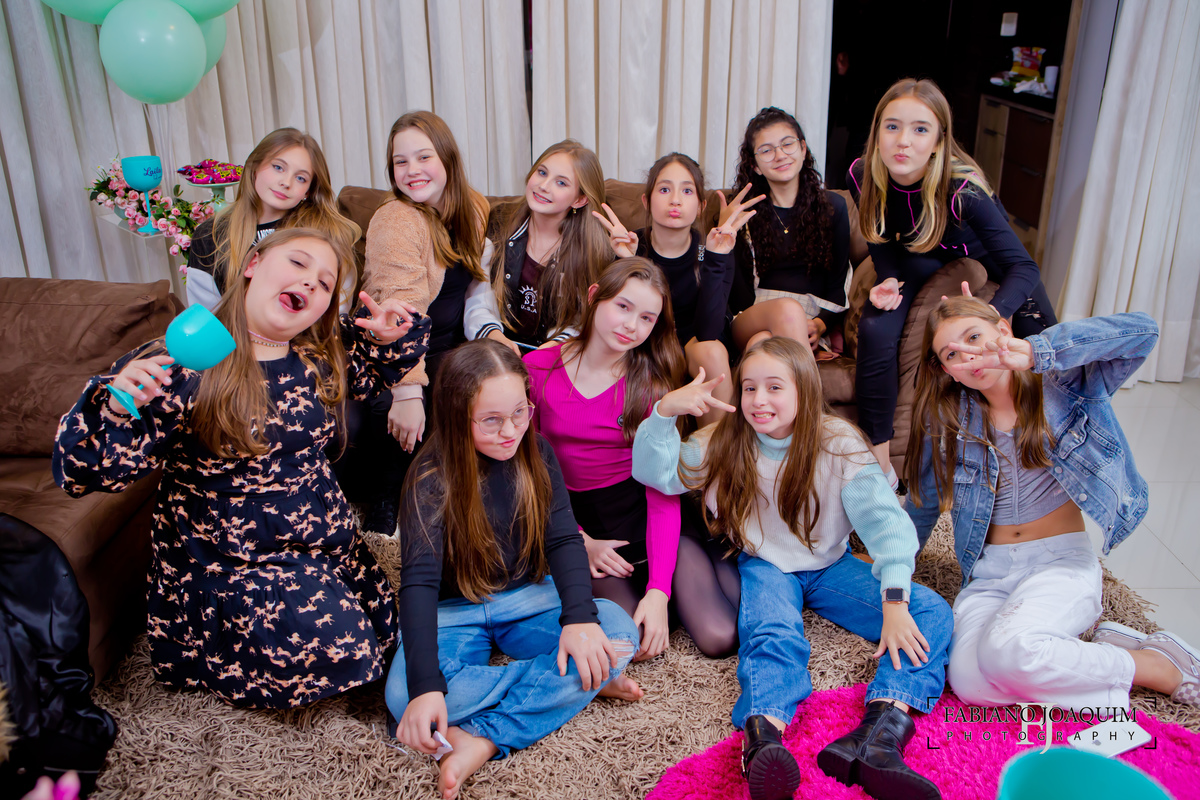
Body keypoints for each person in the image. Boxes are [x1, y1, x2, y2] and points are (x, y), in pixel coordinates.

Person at [53, 228, 429, 708]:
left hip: (318, 536)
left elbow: (371, 374)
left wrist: (389, 337)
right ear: (252, 265)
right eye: (298, 263)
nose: (310, 282)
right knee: (344, 651)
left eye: (325, 283)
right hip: (232, 554)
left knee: (390, 635)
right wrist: (116, 406)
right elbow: (85, 474)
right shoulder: (181, 364)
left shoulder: (316, 357)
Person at [633, 337, 952, 800]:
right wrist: (664, 412)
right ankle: (763, 738)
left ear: (804, 388)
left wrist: (896, 602)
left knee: (932, 611)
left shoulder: (838, 443)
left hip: (830, 565)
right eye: (749, 388)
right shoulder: (722, 441)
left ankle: (879, 734)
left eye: (774, 387)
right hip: (767, 565)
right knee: (772, 634)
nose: (758, 400)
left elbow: (887, 526)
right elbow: (655, 474)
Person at [906, 289, 1200, 713]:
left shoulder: (1064, 385)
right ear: (946, 370)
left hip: (1058, 561)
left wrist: (1036, 351)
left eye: (974, 337)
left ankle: (1159, 666)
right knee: (970, 683)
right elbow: (925, 501)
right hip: (989, 573)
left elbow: (1143, 333)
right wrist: (897, 562)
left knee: (1009, 652)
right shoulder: (948, 417)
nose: (969, 356)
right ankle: (1100, 653)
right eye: (951, 354)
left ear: (1002, 330)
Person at [385, 339, 641, 800]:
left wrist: (579, 621)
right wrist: (426, 689)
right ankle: (575, 682)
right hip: (453, 612)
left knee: (618, 634)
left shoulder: (537, 451)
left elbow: (563, 539)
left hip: (528, 597)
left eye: (520, 413)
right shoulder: (427, 477)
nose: (510, 431)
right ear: (456, 416)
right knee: (405, 697)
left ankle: (484, 738)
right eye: (491, 420)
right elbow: (418, 584)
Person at [525, 257, 740, 658]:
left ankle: (683, 577)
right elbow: (529, 472)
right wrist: (578, 540)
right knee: (628, 641)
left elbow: (660, 491)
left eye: (646, 318)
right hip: (577, 518)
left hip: (646, 509)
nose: (631, 326)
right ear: (595, 296)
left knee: (720, 636)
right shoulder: (538, 369)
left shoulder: (651, 386)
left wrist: (658, 591)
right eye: (623, 307)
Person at [848, 78, 1058, 482]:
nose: (903, 141)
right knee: (875, 328)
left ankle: (1042, 458)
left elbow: (1024, 267)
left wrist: (994, 314)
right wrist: (888, 277)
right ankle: (880, 466)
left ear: (938, 142)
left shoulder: (963, 190)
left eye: (920, 129)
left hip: (988, 261)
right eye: (892, 126)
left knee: (1043, 349)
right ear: (876, 133)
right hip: (922, 257)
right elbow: (880, 237)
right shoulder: (863, 175)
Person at [349, 110, 508, 532]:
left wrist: (491, 334)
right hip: (392, 354)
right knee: (406, 407)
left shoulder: (472, 207)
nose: (412, 170)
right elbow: (399, 310)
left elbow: (476, 282)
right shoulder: (397, 219)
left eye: (424, 157)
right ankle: (387, 504)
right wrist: (407, 391)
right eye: (400, 161)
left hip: (448, 345)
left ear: (447, 159)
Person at [592, 152, 757, 428]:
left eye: (687, 191)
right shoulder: (629, 243)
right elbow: (610, 316)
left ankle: (717, 449)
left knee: (712, 351)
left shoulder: (713, 246)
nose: (675, 200)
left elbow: (709, 332)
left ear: (701, 206)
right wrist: (628, 261)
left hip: (696, 341)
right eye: (665, 189)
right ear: (646, 201)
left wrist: (717, 258)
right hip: (649, 339)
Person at [186, 128, 359, 312]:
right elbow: (207, 316)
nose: (286, 182)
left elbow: (337, 314)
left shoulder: (328, 233)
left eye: (301, 178)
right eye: (278, 167)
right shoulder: (209, 235)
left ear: (308, 191)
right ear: (255, 167)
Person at [727, 107, 852, 358]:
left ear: (803, 149)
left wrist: (820, 325)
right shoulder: (742, 211)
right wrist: (728, 236)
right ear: (755, 165)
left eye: (787, 144)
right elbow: (737, 297)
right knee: (781, 315)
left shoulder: (833, 208)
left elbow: (837, 286)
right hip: (751, 315)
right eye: (766, 150)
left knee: (762, 346)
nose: (780, 155)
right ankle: (807, 374)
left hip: (808, 319)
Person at [486, 140, 614, 349]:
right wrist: (495, 337)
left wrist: (553, 348)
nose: (543, 186)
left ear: (579, 200)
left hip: (557, 352)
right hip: (497, 347)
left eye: (561, 183)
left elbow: (585, 318)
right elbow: (478, 298)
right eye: (542, 172)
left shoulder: (592, 248)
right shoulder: (497, 223)